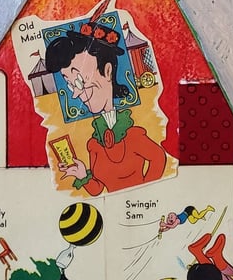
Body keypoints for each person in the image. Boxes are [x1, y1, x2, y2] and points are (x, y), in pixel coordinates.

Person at [45, 23, 167, 195]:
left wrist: (145, 192)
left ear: (108, 71)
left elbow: (158, 158)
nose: (76, 93)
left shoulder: (133, 135)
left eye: (79, 80)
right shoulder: (94, 144)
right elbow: (97, 190)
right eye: (70, 84)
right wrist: (82, 174)